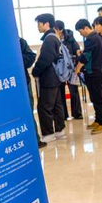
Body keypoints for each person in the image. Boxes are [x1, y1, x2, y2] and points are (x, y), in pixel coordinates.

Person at [31, 13, 67, 143]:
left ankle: (48, 134)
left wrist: (35, 71)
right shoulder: (55, 37)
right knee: (57, 105)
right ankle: (59, 131)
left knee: (44, 106)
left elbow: (45, 59)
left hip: (49, 78)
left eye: (39, 24)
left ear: (46, 24)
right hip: (56, 77)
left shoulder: (49, 39)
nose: (38, 26)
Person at [75, 19, 102, 135]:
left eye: (80, 31)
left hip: (95, 73)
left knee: (98, 98)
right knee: (94, 98)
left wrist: (77, 68)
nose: (81, 34)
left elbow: (86, 57)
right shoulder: (95, 37)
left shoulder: (91, 38)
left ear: (85, 28)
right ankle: (98, 120)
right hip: (93, 72)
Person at [20, 37, 45, 148]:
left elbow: (30, 57)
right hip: (4, 87)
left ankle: (35, 140)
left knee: (28, 111)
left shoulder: (19, 41)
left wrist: (15, 56)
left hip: (23, 83)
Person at [55, 21, 83, 121]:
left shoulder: (70, 39)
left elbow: (77, 51)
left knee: (73, 91)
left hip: (71, 68)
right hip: (60, 69)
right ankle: (63, 115)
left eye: (55, 29)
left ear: (60, 30)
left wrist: (77, 67)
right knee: (60, 92)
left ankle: (77, 113)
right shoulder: (54, 39)